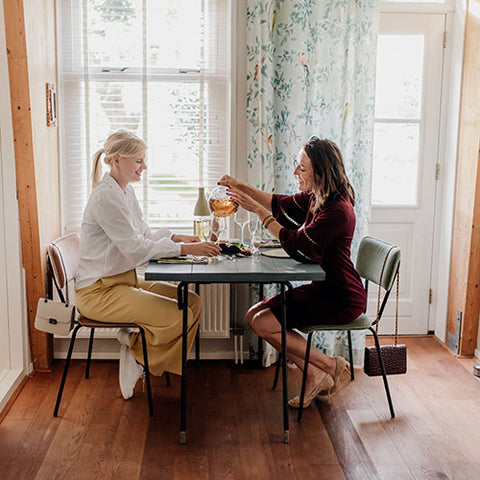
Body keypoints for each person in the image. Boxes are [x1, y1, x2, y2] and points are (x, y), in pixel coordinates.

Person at [218, 136, 366, 408]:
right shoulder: (319, 197)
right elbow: (281, 203)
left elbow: (295, 243)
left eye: (302, 168)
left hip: (340, 297)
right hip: (324, 288)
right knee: (253, 315)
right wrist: (240, 186)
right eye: (297, 165)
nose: (295, 172)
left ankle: (332, 366)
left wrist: (260, 214)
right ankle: (315, 373)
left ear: (320, 172)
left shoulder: (337, 211)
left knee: (263, 323)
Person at [75, 129, 220, 400]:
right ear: (117, 160)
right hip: (98, 292)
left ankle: (142, 354)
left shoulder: (124, 191)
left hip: (122, 280)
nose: (145, 166)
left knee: (193, 304)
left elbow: (143, 233)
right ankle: (137, 351)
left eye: (144, 160)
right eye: (139, 160)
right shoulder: (106, 197)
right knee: (180, 315)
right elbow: (135, 250)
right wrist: (186, 249)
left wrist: (175, 236)